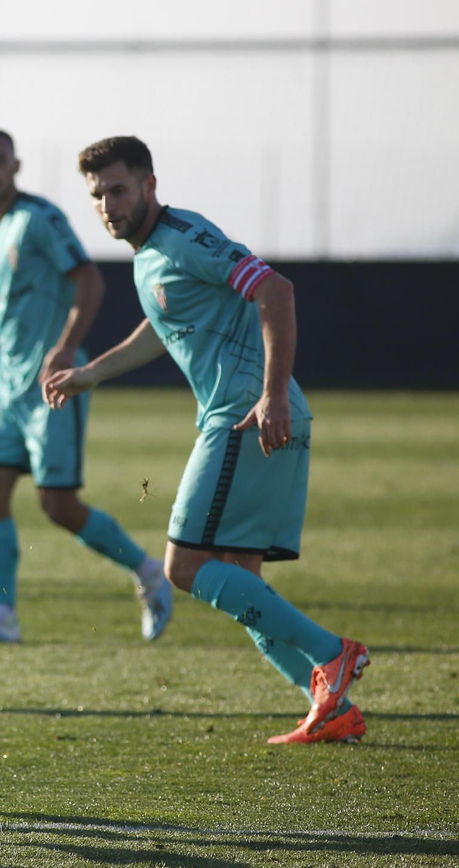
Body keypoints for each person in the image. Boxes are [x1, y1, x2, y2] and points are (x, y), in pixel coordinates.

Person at [46, 135, 367, 745]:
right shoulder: (151, 256)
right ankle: (329, 707)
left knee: (186, 565)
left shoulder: (184, 237)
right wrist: (92, 373)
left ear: (149, 185)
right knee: (239, 576)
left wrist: (270, 394)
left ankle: (332, 653)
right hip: (261, 414)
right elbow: (161, 326)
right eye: (96, 196)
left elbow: (276, 290)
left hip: (244, 416)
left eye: (118, 189)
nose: (108, 204)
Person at [0, 129, 171, 644]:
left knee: (58, 505)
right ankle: (2, 615)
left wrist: (67, 346)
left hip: (52, 383)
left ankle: (148, 571)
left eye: (0, 160)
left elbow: (89, 279)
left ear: (16, 164)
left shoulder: (39, 219)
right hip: (6, 386)